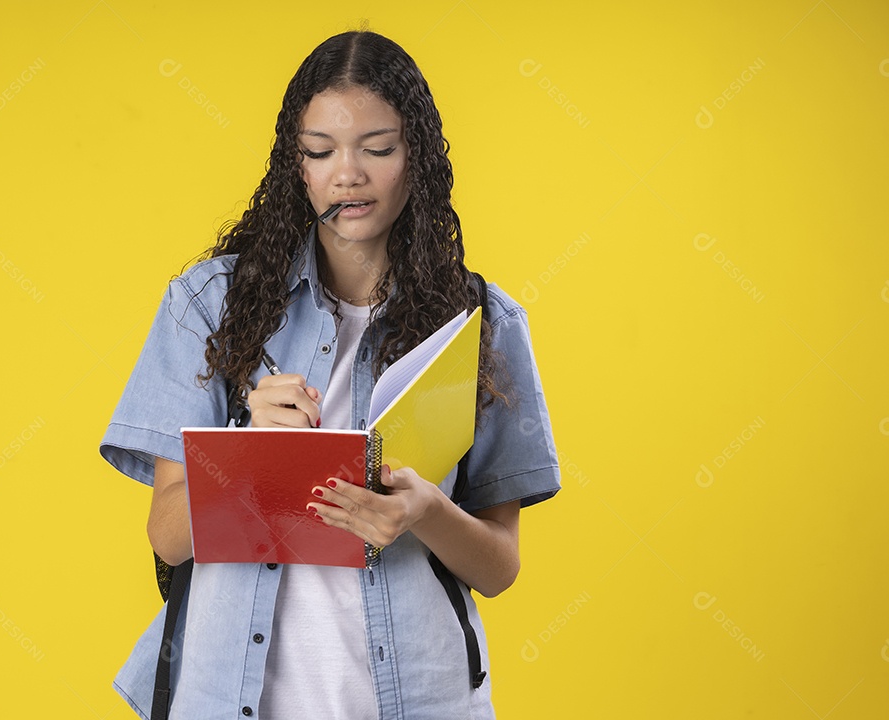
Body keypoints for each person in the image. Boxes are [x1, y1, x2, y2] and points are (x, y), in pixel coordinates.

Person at [100, 29, 559, 719]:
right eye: (321, 152)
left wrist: (426, 511)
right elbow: (167, 535)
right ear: (298, 166)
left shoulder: (482, 323)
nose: (348, 174)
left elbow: (499, 567)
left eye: (378, 149)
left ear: (418, 160)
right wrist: (247, 444)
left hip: (418, 695)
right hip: (232, 696)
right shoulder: (209, 305)